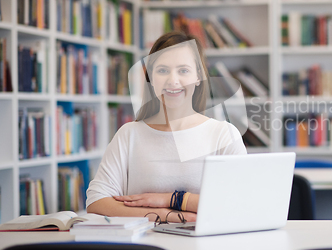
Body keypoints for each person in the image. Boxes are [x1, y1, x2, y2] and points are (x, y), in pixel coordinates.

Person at [86, 31, 247, 222]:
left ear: (198, 77)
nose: (173, 80)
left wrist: (172, 199)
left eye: (183, 70)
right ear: (151, 78)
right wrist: (165, 215)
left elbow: (241, 203)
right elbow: (97, 202)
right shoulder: (129, 135)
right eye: (162, 70)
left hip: (203, 248)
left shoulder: (223, 134)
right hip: (144, 249)